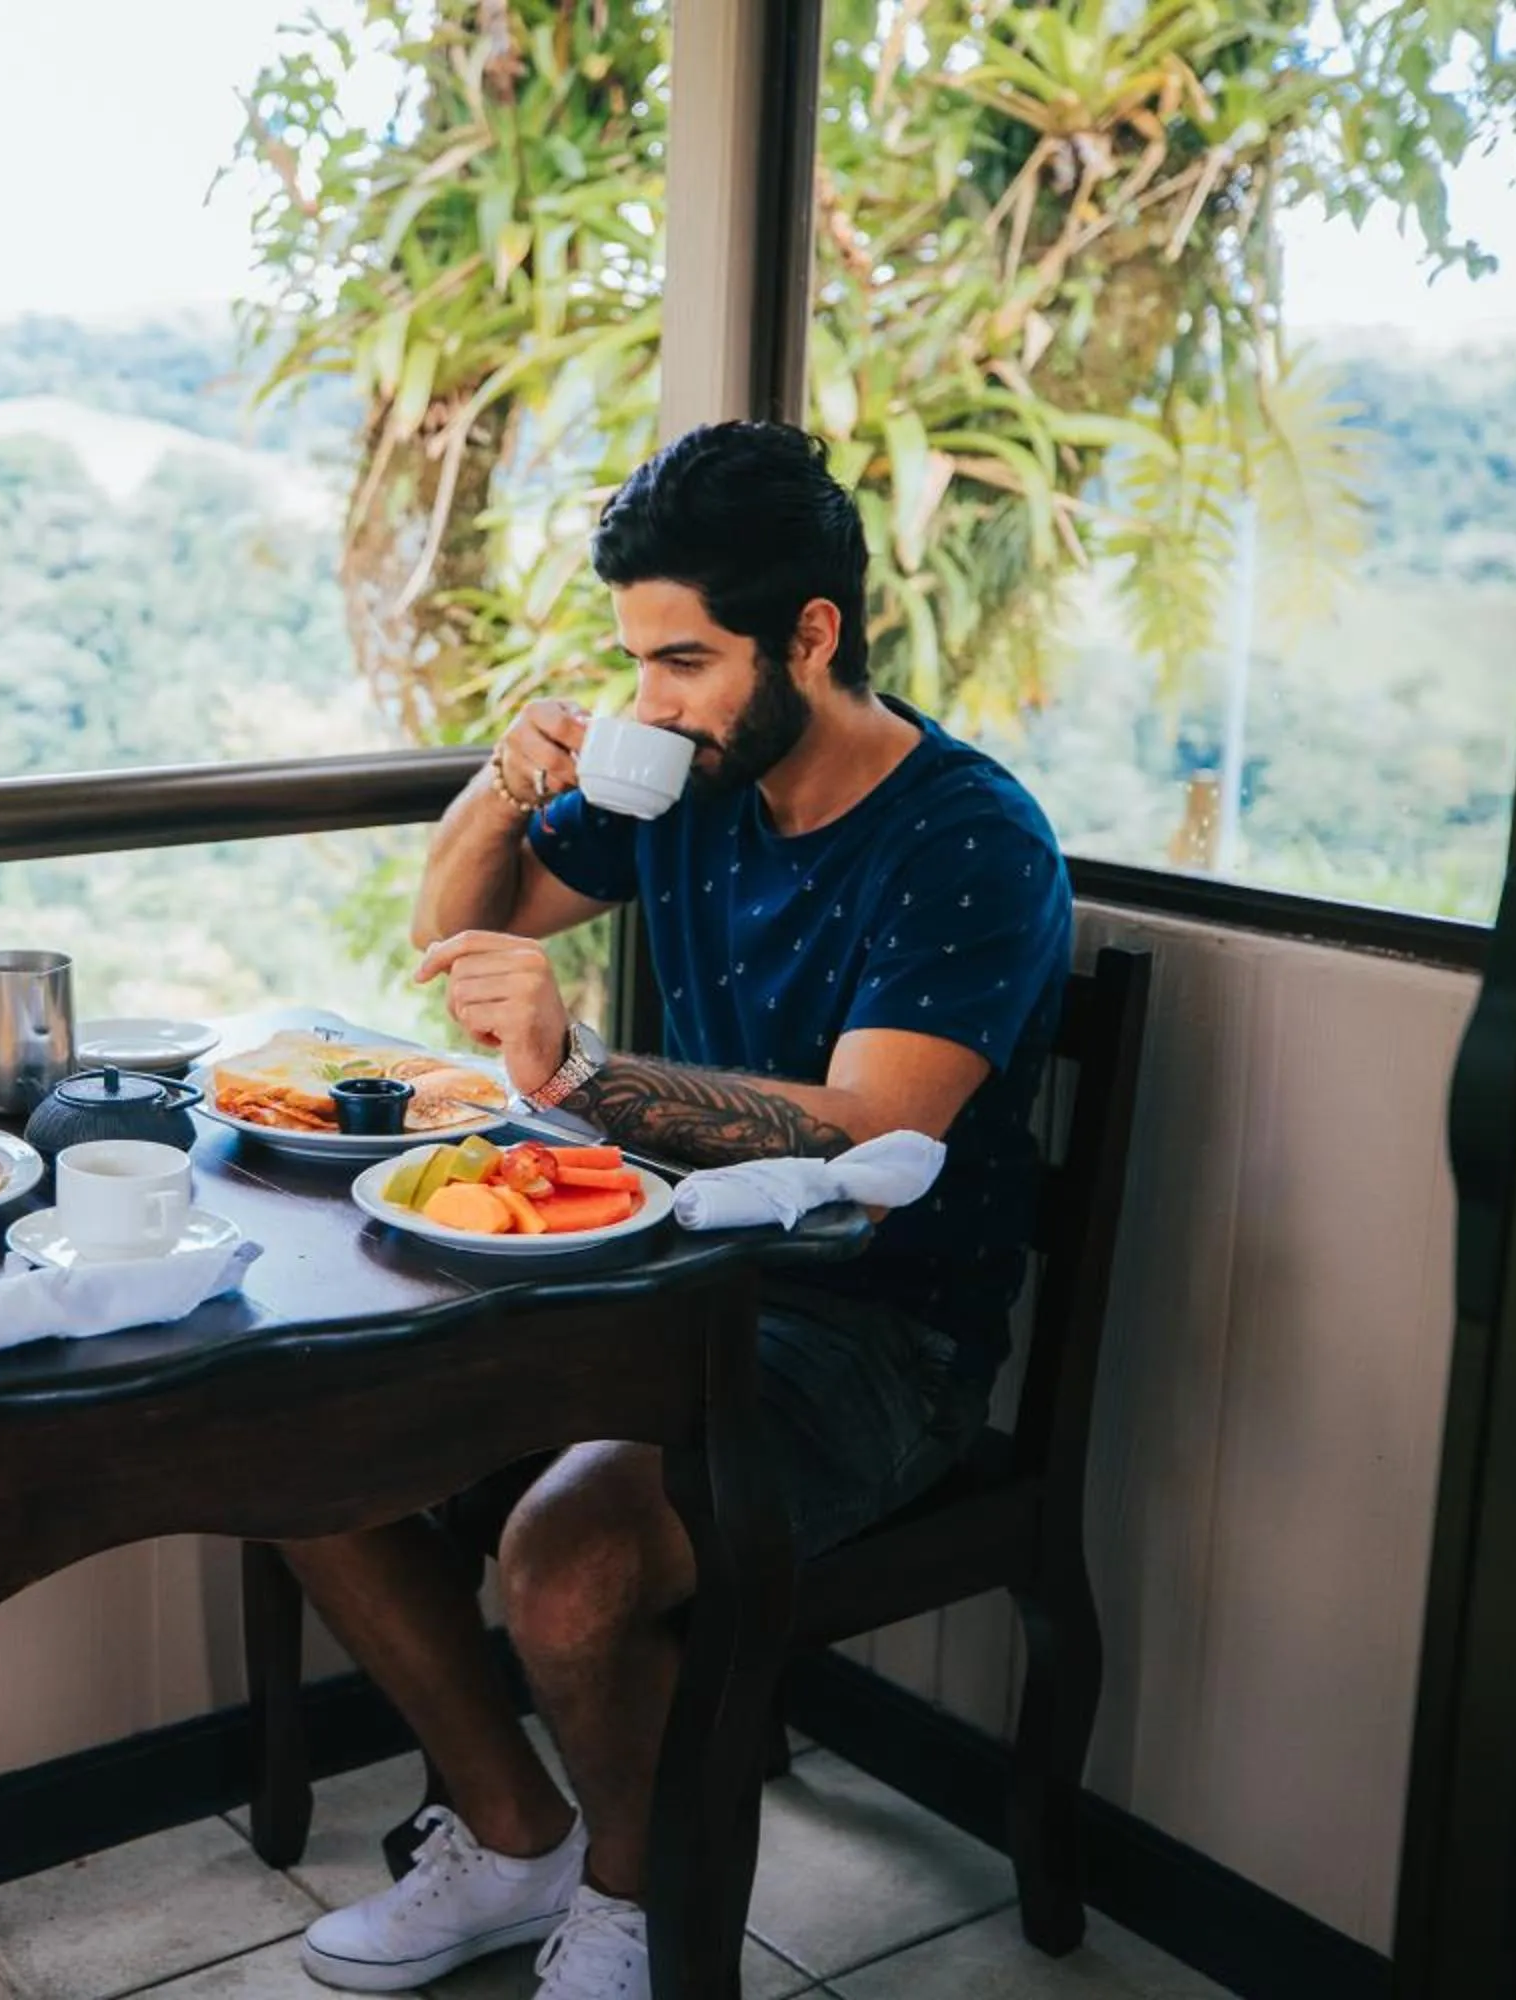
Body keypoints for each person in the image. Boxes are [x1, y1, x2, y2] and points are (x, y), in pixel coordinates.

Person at [283, 421, 1073, 1996]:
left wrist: (578, 1069)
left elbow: (869, 1135)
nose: (652, 699)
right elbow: (456, 945)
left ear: (812, 636)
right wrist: (505, 784)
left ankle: (640, 1904)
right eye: (637, 659)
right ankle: (515, 1841)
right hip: (652, 1270)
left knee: (570, 1567)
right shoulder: (690, 775)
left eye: (686, 660)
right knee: (299, 1432)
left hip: (869, 1322)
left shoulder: (968, 842)